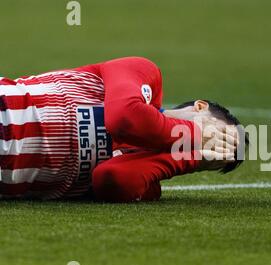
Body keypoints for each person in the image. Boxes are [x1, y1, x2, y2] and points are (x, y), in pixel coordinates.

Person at [0, 57, 245, 201]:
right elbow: (124, 119)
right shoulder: (145, 74)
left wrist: (186, 156)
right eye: (218, 135)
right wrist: (194, 134)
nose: (209, 145)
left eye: (215, 153)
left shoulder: (149, 177)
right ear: (199, 107)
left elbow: (110, 179)